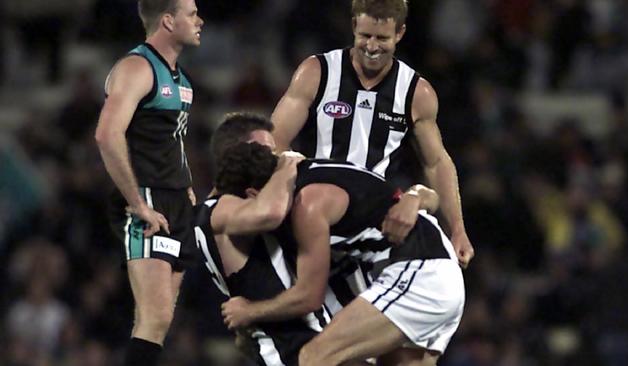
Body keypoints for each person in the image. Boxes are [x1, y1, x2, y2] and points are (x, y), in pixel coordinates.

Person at [218, 142, 465, 366]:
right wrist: (415, 196)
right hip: (436, 274)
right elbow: (408, 199)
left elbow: (308, 297)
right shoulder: (311, 171)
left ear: (252, 195)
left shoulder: (308, 203)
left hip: (421, 274)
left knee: (313, 358)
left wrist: (249, 312)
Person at [271, 0, 474, 269]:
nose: (372, 46)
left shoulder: (416, 93)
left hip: (375, 227)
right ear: (354, 25)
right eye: (365, 35)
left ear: (399, 33)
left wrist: (458, 229)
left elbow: (436, 163)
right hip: (315, 213)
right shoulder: (317, 72)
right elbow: (275, 139)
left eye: (382, 38)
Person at [94, 1, 203, 365]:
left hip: (175, 200)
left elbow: (170, 139)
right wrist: (138, 203)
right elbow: (108, 135)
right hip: (148, 199)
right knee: (154, 317)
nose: (200, 20)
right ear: (168, 21)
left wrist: (184, 182)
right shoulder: (137, 67)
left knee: (159, 320)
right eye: (192, 13)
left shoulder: (179, 78)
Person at [195, 112, 324, 366]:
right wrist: (288, 166)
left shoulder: (236, 206)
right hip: (288, 353)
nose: (272, 159)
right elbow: (270, 213)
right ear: (236, 154)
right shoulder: (217, 211)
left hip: (304, 346)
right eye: (265, 151)